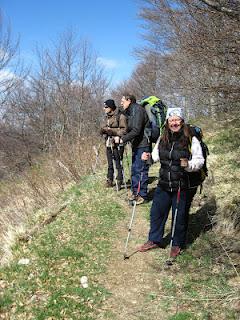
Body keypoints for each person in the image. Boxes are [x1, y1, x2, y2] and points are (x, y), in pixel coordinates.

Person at [138, 107, 204, 257]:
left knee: (179, 216)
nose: (174, 123)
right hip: (164, 183)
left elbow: (199, 160)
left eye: (177, 120)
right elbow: (155, 156)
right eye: (171, 120)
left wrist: (188, 165)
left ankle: (176, 244)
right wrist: (147, 158)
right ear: (167, 122)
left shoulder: (190, 138)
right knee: (156, 213)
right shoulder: (163, 137)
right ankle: (154, 240)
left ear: (182, 121)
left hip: (182, 184)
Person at [120, 93, 151, 205]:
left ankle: (142, 195)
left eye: (123, 100)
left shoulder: (138, 110)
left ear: (129, 100)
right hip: (137, 144)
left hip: (143, 144)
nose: (121, 103)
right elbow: (131, 129)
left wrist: (123, 139)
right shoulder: (131, 112)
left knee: (141, 170)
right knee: (135, 170)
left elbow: (137, 130)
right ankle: (135, 193)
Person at [100, 99, 127, 189]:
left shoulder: (120, 116)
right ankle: (109, 179)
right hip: (108, 142)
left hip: (117, 142)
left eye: (106, 107)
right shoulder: (106, 117)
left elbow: (124, 130)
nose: (104, 108)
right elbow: (104, 127)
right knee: (110, 163)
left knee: (118, 162)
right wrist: (103, 130)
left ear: (111, 107)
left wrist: (112, 131)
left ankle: (119, 180)